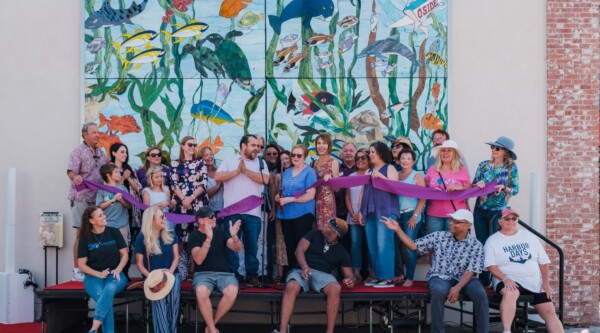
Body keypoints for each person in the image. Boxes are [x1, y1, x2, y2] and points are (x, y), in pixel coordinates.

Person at [381, 209, 489, 333]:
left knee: (480, 293)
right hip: (440, 276)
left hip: (465, 278)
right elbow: (413, 246)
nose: (451, 223)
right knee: (438, 291)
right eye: (451, 220)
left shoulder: (476, 245)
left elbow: (471, 270)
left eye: (456, 222)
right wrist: (397, 229)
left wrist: (457, 288)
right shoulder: (439, 236)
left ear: (467, 225)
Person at [484, 208, 564, 333]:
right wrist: (505, 279)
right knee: (510, 292)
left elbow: (543, 261)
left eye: (514, 218)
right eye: (507, 218)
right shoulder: (493, 240)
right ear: (500, 222)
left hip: (533, 281)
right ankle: (506, 330)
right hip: (508, 279)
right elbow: (490, 266)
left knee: (549, 311)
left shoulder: (528, 236)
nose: (511, 221)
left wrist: (546, 283)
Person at [271, 218, 355, 333]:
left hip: (323, 275)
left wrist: (349, 280)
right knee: (291, 286)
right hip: (302, 269)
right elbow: (299, 250)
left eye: (328, 226)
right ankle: (282, 331)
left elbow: (349, 275)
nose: (325, 226)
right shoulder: (314, 233)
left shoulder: (341, 251)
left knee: (336, 288)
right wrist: (305, 266)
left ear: (335, 234)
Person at [215, 134, 270, 285]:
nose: (257, 149)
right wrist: (236, 172)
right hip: (232, 211)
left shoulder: (261, 162)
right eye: (253, 145)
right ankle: (233, 275)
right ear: (243, 146)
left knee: (252, 245)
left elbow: (265, 180)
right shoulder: (229, 160)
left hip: (253, 213)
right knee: (232, 245)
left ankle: (252, 275)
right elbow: (217, 177)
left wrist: (245, 172)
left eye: (258, 146)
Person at [473, 136, 519, 286]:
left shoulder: (511, 168)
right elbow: (473, 184)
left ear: (505, 152)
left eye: (497, 148)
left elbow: (516, 189)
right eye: (492, 147)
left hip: (497, 212)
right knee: (482, 243)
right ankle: (484, 277)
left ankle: (495, 278)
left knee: (494, 244)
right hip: (480, 209)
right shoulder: (483, 165)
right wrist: (477, 184)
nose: (493, 150)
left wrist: (503, 188)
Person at [188, 207, 242, 333]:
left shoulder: (221, 232)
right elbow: (198, 260)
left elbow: (237, 248)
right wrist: (208, 240)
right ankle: (212, 329)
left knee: (232, 291)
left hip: (225, 274)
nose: (214, 218)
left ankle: (211, 326)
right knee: (201, 291)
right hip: (203, 275)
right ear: (201, 220)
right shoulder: (194, 236)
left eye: (214, 216)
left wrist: (235, 237)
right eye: (210, 216)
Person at [77, 206, 128, 333]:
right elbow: (81, 265)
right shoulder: (84, 238)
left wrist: (118, 269)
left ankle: (94, 328)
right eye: (100, 215)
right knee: (104, 298)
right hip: (93, 277)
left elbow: (125, 254)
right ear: (91, 221)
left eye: (103, 214)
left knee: (109, 289)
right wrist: (98, 274)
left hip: (115, 274)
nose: (104, 217)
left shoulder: (114, 232)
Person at [67, 122, 106, 281]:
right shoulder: (77, 151)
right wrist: (75, 177)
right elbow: (70, 171)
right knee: (81, 233)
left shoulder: (101, 152)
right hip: (82, 197)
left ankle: (94, 267)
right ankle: (77, 269)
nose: (97, 135)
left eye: (98, 132)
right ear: (85, 135)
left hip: (97, 198)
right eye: (94, 132)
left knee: (97, 234)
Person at [135, 206, 181, 333]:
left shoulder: (171, 233)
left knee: (173, 300)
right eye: (162, 217)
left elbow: (176, 258)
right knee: (159, 302)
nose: (165, 218)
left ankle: (172, 330)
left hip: (172, 273)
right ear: (152, 219)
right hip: (153, 277)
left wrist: (169, 273)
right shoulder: (142, 238)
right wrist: (151, 276)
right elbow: (139, 264)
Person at [359, 142, 399, 288]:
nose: (370, 155)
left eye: (372, 152)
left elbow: (395, 187)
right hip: (370, 212)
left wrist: (381, 177)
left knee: (384, 244)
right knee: (373, 245)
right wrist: (361, 212)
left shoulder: (390, 168)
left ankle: (388, 278)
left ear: (381, 153)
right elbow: (363, 192)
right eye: (370, 152)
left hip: (386, 211)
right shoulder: (368, 171)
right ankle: (378, 276)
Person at [275, 145, 317, 274]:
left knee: (301, 245)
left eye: (299, 155)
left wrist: (290, 200)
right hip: (286, 214)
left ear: (304, 157)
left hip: (303, 213)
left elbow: (310, 195)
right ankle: (293, 272)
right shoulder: (287, 172)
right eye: (293, 155)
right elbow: (283, 191)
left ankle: (303, 271)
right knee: (289, 244)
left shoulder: (309, 172)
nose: (295, 158)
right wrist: (278, 197)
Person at [424, 140, 471, 233]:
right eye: (443, 150)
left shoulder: (462, 170)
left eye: (449, 150)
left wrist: (459, 187)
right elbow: (425, 186)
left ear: (455, 154)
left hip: (456, 214)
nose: (445, 153)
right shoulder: (432, 169)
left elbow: (469, 188)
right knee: (434, 243)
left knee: (454, 244)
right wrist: (432, 190)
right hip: (434, 214)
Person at [395, 149, 426, 287]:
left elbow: (423, 197)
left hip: (412, 214)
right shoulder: (395, 175)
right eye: (403, 158)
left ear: (413, 161)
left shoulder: (416, 175)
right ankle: (400, 274)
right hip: (398, 215)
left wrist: (415, 216)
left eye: (408, 158)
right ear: (398, 160)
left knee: (409, 246)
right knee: (398, 246)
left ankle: (410, 278)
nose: (405, 161)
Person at [170, 136, 209, 240]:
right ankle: (181, 256)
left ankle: (195, 256)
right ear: (182, 146)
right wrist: (184, 199)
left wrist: (191, 198)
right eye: (190, 144)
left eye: (194, 145)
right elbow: (174, 184)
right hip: (181, 203)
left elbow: (204, 183)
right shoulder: (175, 163)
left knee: (199, 234)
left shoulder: (200, 162)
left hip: (198, 202)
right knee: (180, 235)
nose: (192, 147)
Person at [345, 148, 370, 282]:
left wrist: (361, 212)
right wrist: (353, 213)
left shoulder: (371, 174)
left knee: (371, 244)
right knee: (355, 244)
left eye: (363, 158)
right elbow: (347, 197)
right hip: (353, 216)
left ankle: (372, 271)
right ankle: (356, 271)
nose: (360, 160)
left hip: (368, 216)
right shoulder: (351, 177)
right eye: (358, 158)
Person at [268, 150, 291, 281]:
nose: (285, 161)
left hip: (296, 212)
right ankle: (280, 274)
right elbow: (274, 193)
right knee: (280, 242)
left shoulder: (300, 172)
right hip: (281, 212)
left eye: (287, 158)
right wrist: (274, 209)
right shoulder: (278, 176)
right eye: (282, 159)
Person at [96, 164, 132, 245]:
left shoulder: (123, 188)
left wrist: (121, 200)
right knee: (110, 249)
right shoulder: (102, 190)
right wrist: (113, 200)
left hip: (122, 225)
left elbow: (129, 206)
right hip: (108, 225)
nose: (119, 174)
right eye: (116, 172)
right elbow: (99, 206)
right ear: (108, 175)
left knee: (123, 248)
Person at [312, 134, 339, 230]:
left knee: (329, 232)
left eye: (324, 143)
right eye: (319, 143)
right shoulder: (313, 163)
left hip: (327, 203)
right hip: (314, 202)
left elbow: (337, 189)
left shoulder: (333, 162)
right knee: (316, 232)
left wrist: (331, 180)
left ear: (329, 146)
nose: (321, 146)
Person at [142, 166, 175, 230]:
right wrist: (159, 204)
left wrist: (172, 204)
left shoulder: (166, 189)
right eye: (156, 177)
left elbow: (169, 206)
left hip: (166, 219)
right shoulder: (147, 191)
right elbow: (146, 209)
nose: (160, 179)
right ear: (150, 178)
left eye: (161, 176)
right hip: (153, 220)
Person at [200, 147, 224, 213]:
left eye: (211, 154)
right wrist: (218, 186)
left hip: (224, 211)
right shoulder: (201, 175)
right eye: (206, 155)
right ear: (201, 159)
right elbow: (204, 196)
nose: (210, 157)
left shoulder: (219, 171)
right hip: (210, 213)